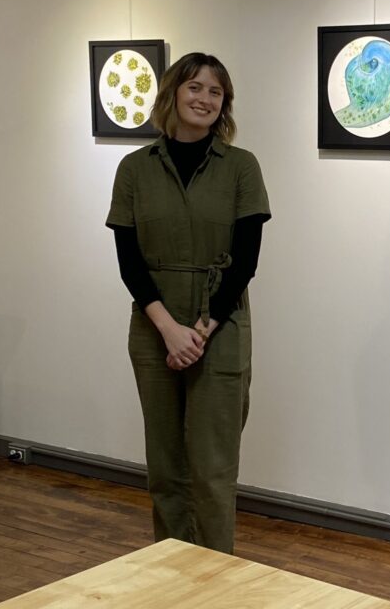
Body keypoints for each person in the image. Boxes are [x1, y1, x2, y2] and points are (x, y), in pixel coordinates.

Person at [106, 52, 270, 553]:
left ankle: (215, 583)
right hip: (154, 328)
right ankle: (171, 576)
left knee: (213, 470)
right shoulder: (134, 169)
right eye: (195, 87)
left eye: (215, 92)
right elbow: (129, 261)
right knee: (165, 467)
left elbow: (245, 260)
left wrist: (199, 330)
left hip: (220, 328)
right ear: (174, 93)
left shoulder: (241, 167)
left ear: (225, 105)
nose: (204, 98)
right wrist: (169, 330)